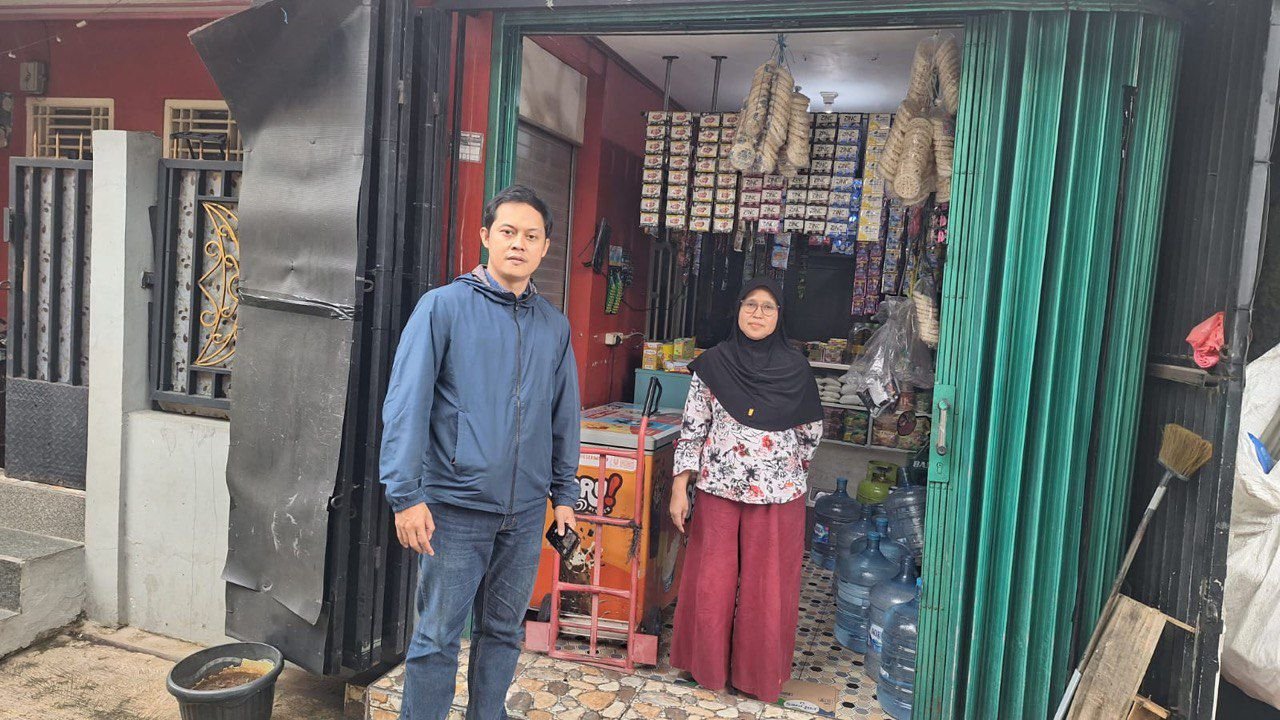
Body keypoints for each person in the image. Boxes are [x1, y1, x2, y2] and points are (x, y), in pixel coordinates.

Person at [380, 185, 581, 720]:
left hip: (524, 512)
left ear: (545, 248)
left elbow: (563, 416)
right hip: (455, 507)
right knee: (436, 637)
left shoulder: (553, 326)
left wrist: (564, 495)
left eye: (531, 236)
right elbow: (406, 403)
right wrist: (405, 496)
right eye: (508, 232)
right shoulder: (443, 307)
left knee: (504, 632)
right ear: (486, 236)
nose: (519, 244)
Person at [667, 277, 825, 703]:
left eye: (768, 307)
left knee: (767, 588)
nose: (758, 313)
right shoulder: (713, 364)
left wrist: (787, 471)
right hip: (719, 488)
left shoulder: (796, 369)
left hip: (777, 495)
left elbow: (810, 432)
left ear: (780, 316)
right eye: (750, 304)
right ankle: (707, 668)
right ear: (737, 309)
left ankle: (757, 676)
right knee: (711, 582)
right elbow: (693, 428)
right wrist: (680, 487)